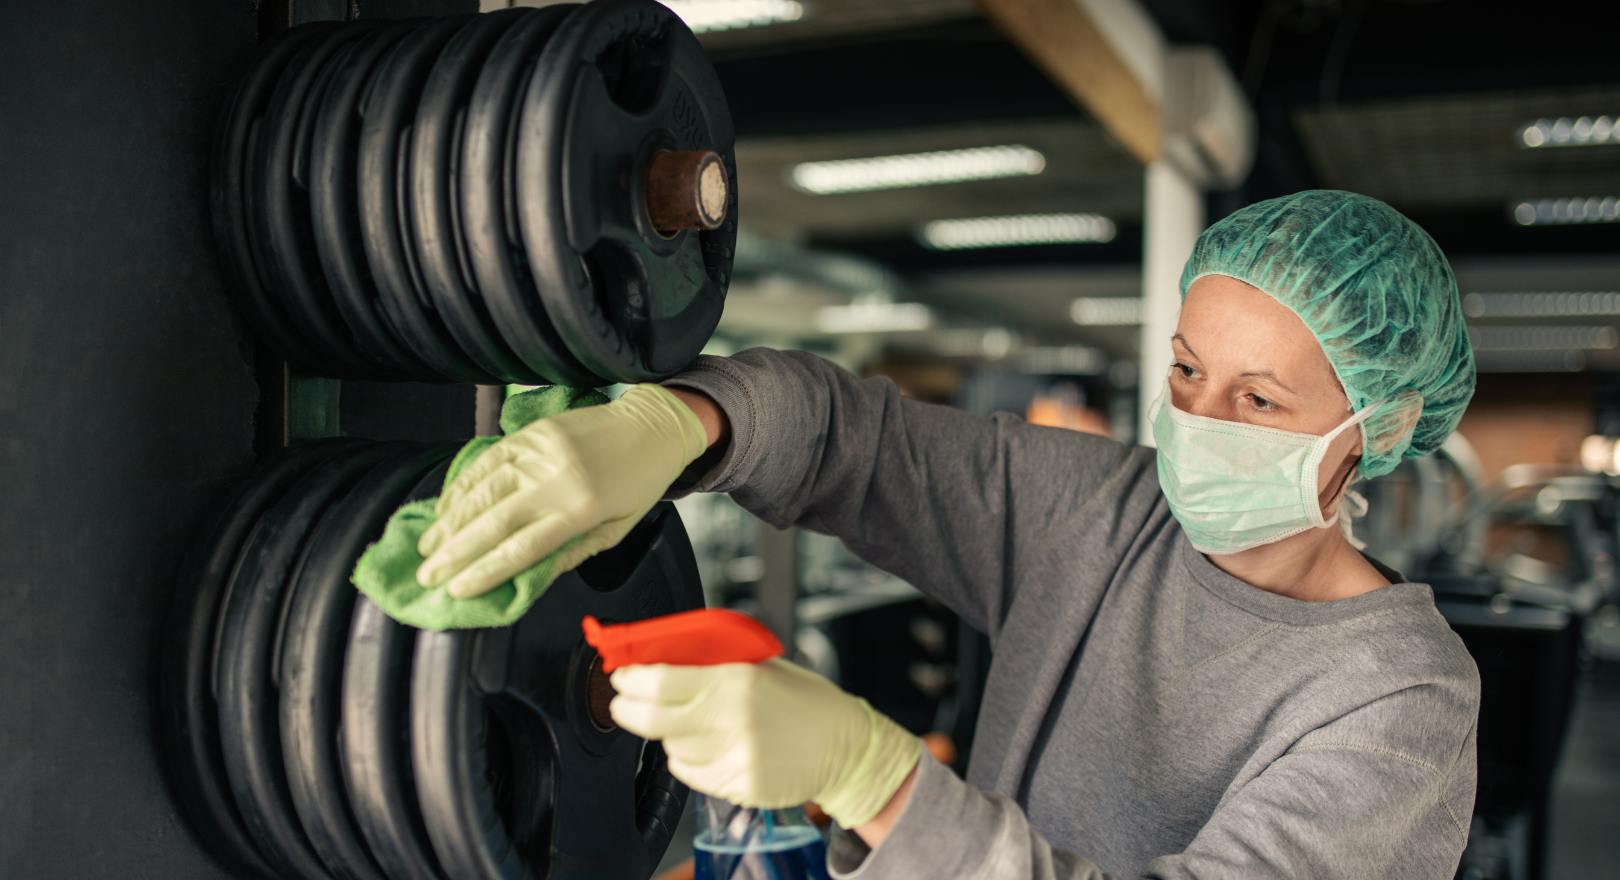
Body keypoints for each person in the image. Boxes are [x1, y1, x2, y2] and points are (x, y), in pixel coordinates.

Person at [414, 190, 1481, 878]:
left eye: (1258, 402)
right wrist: (681, 425)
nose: (1194, 428)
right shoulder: (1103, 510)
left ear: (1375, 429)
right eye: (1187, 371)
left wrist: (875, 777)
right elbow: (852, 439)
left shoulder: (1399, 700)